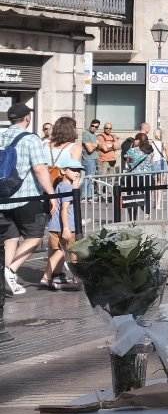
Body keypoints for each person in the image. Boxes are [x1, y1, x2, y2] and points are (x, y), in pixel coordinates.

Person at [0, 103, 50, 295]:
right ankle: (11, 270)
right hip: (25, 197)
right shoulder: (30, 139)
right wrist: (50, 194)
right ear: (27, 118)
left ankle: (7, 280)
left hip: (2, 196)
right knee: (35, 236)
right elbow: (39, 168)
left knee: (10, 237)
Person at [40, 117, 84, 290]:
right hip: (66, 192)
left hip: (47, 192)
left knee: (54, 234)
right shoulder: (74, 147)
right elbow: (76, 171)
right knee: (69, 236)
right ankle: (73, 276)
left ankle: (54, 275)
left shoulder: (46, 146)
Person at [81, 118, 100, 201]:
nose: (94, 128)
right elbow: (89, 149)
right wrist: (95, 144)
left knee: (91, 178)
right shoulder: (86, 134)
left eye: (96, 127)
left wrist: (94, 145)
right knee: (88, 178)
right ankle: (84, 196)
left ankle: (89, 196)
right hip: (88, 159)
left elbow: (98, 147)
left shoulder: (94, 135)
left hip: (94, 158)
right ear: (90, 124)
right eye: (93, 126)